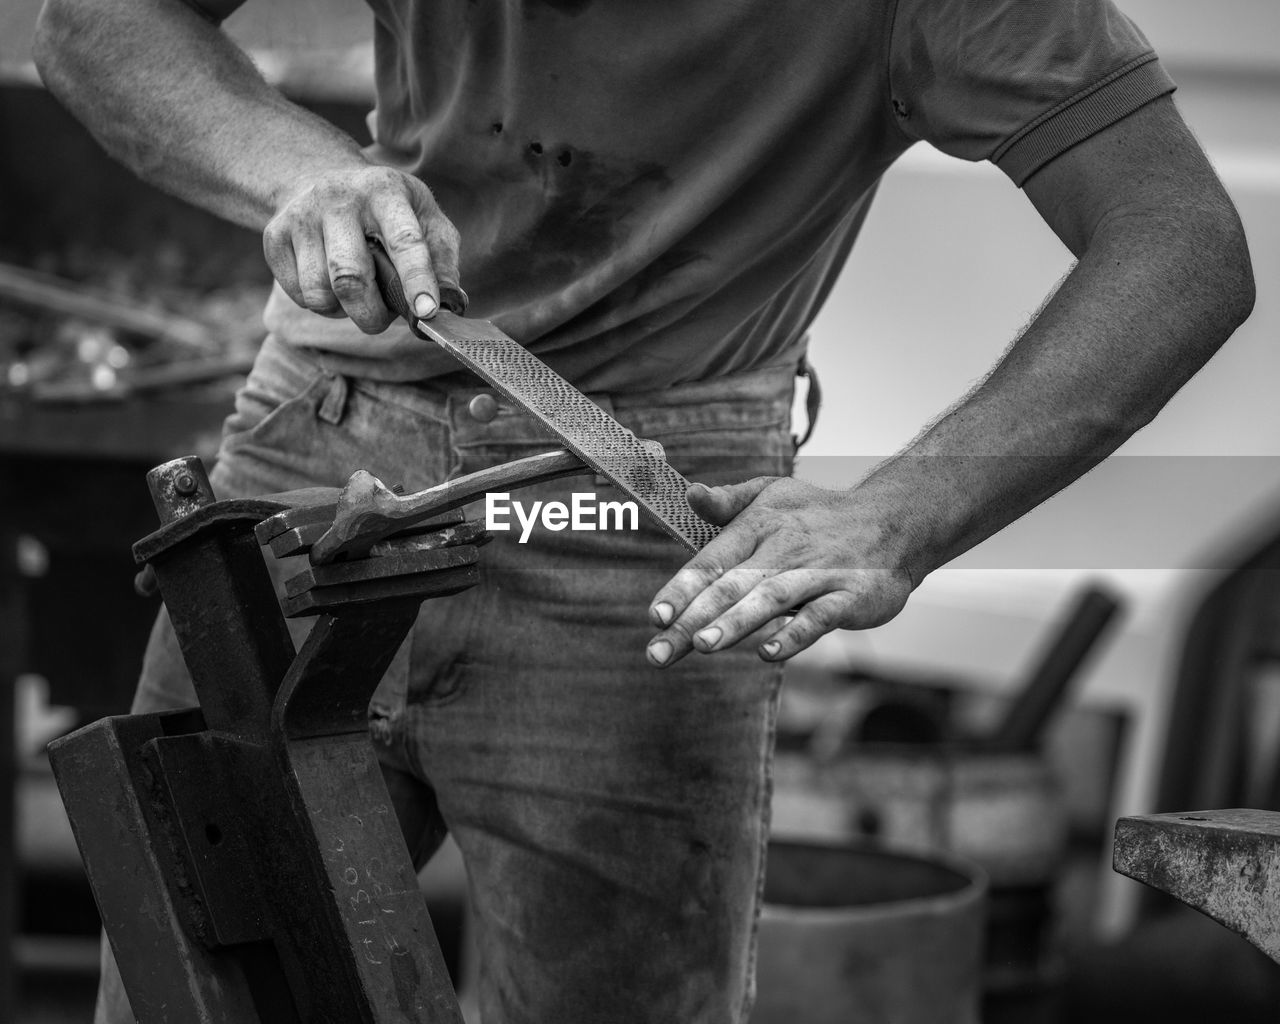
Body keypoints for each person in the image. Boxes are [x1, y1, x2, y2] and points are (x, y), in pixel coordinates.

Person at [33, 0, 1253, 1021]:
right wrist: (297, 171)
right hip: (322, 436)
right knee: (191, 975)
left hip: (649, 501)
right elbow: (96, 21)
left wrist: (901, 514)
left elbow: (1177, 239)